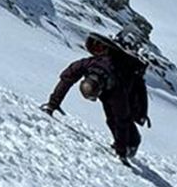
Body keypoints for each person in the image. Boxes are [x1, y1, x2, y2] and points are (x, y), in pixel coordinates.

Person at [42, 34, 151, 163]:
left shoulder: (116, 90)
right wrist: (53, 104)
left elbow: (122, 120)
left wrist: (121, 153)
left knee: (116, 119)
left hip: (126, 89)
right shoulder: (89, 65)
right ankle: (121, 144)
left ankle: (131, 144)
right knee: (112, 119)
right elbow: (67, 78)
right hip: (111, 87)